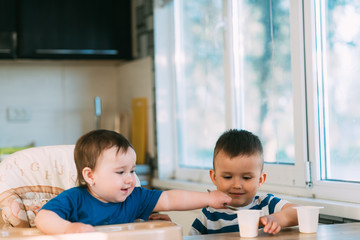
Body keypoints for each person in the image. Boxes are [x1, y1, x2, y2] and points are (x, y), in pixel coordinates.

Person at [35, 129, 232, 234]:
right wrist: (68, 228)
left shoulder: (135, 197)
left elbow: (172, 199)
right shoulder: (75, 198)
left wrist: (209, 199)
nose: (130, 179)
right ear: (90, 176)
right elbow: (43, 217)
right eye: (120, 172)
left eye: (132, 170)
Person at [190, 129, 298, 235]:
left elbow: (300, 211)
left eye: (246, 178)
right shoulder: (208, 216)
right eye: (228, 177)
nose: (237, 185)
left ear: (260, 180)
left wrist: (278, 218)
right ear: (214, 177)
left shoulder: (268, 205)